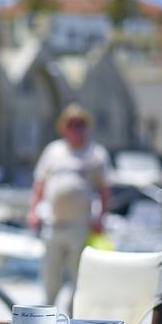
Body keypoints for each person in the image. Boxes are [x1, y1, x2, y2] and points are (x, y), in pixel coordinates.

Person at [27, 103, 110, 307]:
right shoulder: (53, 151)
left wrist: (101, 218)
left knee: (78, 276)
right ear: (63, 126)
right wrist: (33, 211)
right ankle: (47, 311)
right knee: (50, 275)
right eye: (72, 123)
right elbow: (39, 184)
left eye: (80, 124)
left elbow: (104, 190)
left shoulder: (96, 154)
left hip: (80, 225)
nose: (76, 128)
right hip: (53, 224)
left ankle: (72, 317)